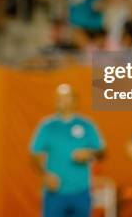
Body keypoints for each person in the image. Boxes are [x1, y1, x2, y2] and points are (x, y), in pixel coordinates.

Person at [30, 83, 105, 217]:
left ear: (75, 100)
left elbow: (102, 152)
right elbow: (34, 154)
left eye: (66, 97)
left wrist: (90, 153)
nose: (62, 101)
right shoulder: (48, 126)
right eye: (59, 98)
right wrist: (45, 175)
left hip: (81, 191)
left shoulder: (87, 125)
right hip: (55, 193)